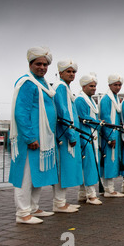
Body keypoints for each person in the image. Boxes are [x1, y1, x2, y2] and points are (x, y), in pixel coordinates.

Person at [9, 46, 59, 224]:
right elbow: (21, 112)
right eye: (38, 64)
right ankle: (23, 213)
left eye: (45, 64)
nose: (42, 67)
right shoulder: (27, 83)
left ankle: (33, 207)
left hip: (44, 138)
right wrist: (30, 138)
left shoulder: (43, 83)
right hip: (31, 139)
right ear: (30, 64)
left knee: (38, 174)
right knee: (26, 176)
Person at [52, 59, 83, 213]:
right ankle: (59, 203)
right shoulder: (61, 87)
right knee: (62, 168)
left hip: (68, 133)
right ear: (60, 73)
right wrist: (71, 135)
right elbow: (63, 112)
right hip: (64, 134)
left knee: (66, 167)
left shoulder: (65, 87)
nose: (71, 74)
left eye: (73, 72)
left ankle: (61, 201)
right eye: (68, 71)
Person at [75, 73, 102, 204]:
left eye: (95, 86)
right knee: (89, 164)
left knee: (89, 164)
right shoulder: (80, 100)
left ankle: (82, 193)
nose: (94, 88)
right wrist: (98, 122)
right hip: (85, 135)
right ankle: (91, 195)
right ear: (84, 86)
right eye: (91, 86)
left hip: (91, 134)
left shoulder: (90, 100)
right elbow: (83, 117)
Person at [99, 75, 124, 198]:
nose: (118, 87)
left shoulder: (115, 99)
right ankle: (108, 190)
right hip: (109, 136)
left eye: (120, 85)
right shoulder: (106, 99)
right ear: (109, 85)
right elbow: (106, 119)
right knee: (109, 161)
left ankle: (110, 188)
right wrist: (110, 137)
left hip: (115, 134)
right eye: (115, 84)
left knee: (113, 161)